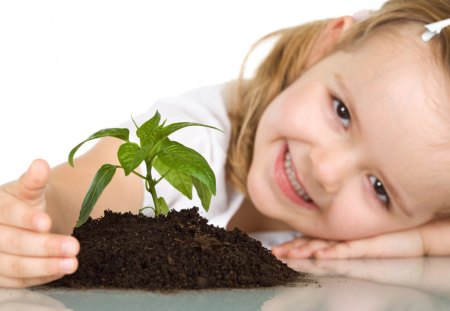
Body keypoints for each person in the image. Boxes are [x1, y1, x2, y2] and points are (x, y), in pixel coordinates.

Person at [1, 0, 450, 288]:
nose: (327, 171)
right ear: (325, 45)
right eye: (342, 112)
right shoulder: (199, 138)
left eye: (379, 188)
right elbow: (101, 177)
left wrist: (424, 242)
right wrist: (41, 215)